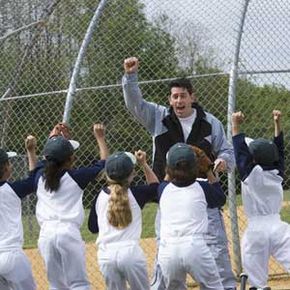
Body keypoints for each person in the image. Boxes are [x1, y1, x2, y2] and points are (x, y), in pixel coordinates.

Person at [122, 56, 236, 290]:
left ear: (193, 97)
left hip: (202, 194)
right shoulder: (159, 117)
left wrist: (223, 161)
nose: (179, 100)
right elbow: (135, 104)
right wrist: (130, 77)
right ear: (169, 99)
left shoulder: (209, 122)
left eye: (183, 95)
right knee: (167, 249)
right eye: (175, 96)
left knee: (216, 251)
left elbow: (226, 150)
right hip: (170, 195)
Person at [34, 123, 108, 290]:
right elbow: (103, 163)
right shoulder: (76, 177)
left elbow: (45, 159)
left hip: (45, 236)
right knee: (79, 284)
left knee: (56, 285)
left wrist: (53, 139)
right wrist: (100, 138)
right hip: (67, 233)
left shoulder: (38, 176)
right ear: (70, 159)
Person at [232, 110, 290, 290]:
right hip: (279, 228)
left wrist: (235, 125)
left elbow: (240, 152)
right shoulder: (277, 174)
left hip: (256, 231)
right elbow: (279, 150)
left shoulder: (251, 175)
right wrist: (277, 123)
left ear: (254, 159)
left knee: (257, 280)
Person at [157, 143, 226, 290]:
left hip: (168, 250)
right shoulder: (203, 188)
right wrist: (208, 169)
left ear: (169, 168)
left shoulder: (163, 190)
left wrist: (170, 168)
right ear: (196, 167)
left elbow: (166, 179)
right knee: (213, 287)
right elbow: (220, 198)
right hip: (195, 248)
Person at [88, 150, 159, 290]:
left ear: (106, 173)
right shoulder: (137, 194)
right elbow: (156, 187)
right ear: (132, 173)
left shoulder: (99, 196)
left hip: (106, 256)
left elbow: (92, 227)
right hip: (130, 254)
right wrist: (144, 164)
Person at [0, 135, 38, 290]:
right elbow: (34, 179)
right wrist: (31, 151)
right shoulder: (13, 190)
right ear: (6, 167)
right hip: (11, 255)